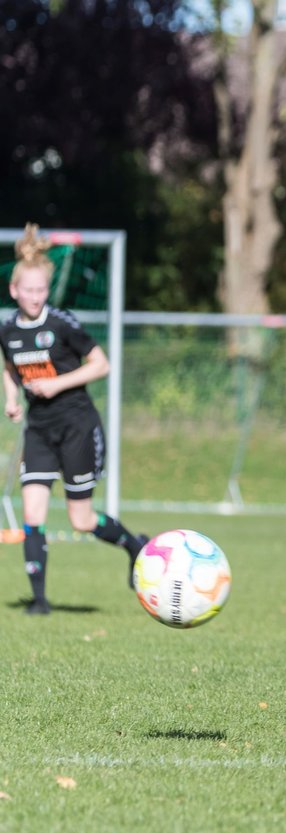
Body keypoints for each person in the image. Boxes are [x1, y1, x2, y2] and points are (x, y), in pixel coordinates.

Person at [2, 224, 148, 616]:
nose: (34, 297)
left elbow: (101, 364)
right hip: (39, 431)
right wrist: (12, 398)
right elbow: (10, 367)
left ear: (46, 290)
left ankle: (134, 546)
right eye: (27, 291)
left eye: (40, 290)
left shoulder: (62, 323)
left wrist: (56, 383)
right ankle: (40, 600)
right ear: (14, 291)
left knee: (80, 519)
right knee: (32, 511)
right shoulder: (8, 329)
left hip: (78, 426)